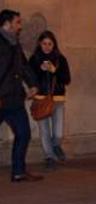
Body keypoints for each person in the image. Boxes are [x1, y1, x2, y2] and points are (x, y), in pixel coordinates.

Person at [0, 9, 41, 182]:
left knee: (23, 133)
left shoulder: (15, 43)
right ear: (7, 24)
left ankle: (18, 171)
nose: (20, 26)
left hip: (14, 98)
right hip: (1, 98)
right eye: (17, 22)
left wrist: (33, 84)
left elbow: (24, 66)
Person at [28, 31, 71, 170]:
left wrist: (54, 70)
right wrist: (40, 70)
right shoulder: (34, 59)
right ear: (40, 44)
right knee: (44, 131)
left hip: (57, 99)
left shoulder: (60, 59)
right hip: (41, 100)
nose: (47, 47)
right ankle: (49, 157)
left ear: (54, 45)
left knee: (58, 132)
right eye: (44, 44)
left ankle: (56, 146)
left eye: (50, 44)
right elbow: (30, 79)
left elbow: (67, 79)